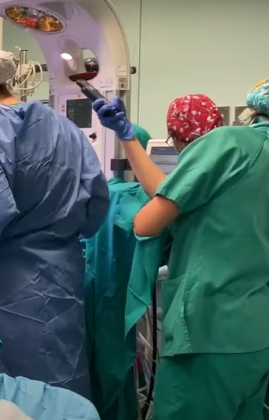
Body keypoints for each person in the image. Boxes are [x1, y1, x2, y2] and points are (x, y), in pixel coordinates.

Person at [0, 42, 110, 397]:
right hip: (62, 277)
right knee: (63, 383)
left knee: (17, 394)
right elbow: (95, 201)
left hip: (11, 287)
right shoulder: (62, 125)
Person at [93, 90, 269, 420]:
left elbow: (146, 223)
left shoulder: (229, 142)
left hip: (207, 332)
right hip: (255, 334)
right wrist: (128, 137)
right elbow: (174, 190)